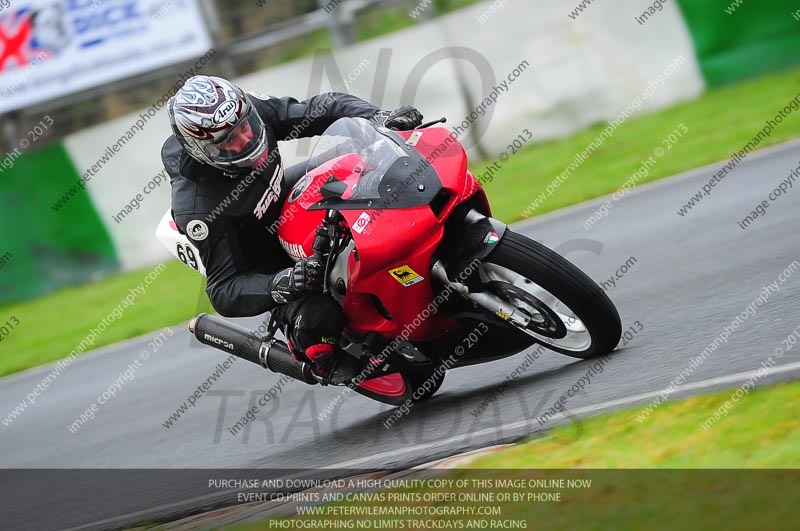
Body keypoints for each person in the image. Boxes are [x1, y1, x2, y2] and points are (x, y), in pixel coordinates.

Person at [162, 75, 423, 376]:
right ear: (201, 150)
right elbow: (223, 289)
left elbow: (320, 108)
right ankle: (337, 364)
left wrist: (377, 118)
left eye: (245, 128)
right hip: (264, 260)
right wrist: (281, 283)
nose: (246, 140)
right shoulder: (199, 208)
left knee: (359, 158)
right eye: (229, 141)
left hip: (280, 195)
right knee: (318, 326)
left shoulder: (247, 111)